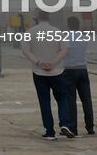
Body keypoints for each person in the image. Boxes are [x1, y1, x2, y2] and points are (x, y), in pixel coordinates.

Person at [20, 9, 72, 139]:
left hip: (39, 72)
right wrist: (53, 63)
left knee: (44, 101)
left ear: (36, 18)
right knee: (62, 98)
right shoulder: (57, 31)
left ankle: (49, 132)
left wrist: (38, 62)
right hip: (57, 72)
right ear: (49, 17)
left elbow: (25, 51)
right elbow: (65, 49)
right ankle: (65, 123)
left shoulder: (30, 32)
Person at [62, 16, 94, 135]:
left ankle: (73, 127)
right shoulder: (84, 37)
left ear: (68, 25)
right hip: (83, 70)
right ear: (78, 25)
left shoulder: (65, 37)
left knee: (71, 100)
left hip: (69, 70)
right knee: (86, 99)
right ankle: (90, 126)